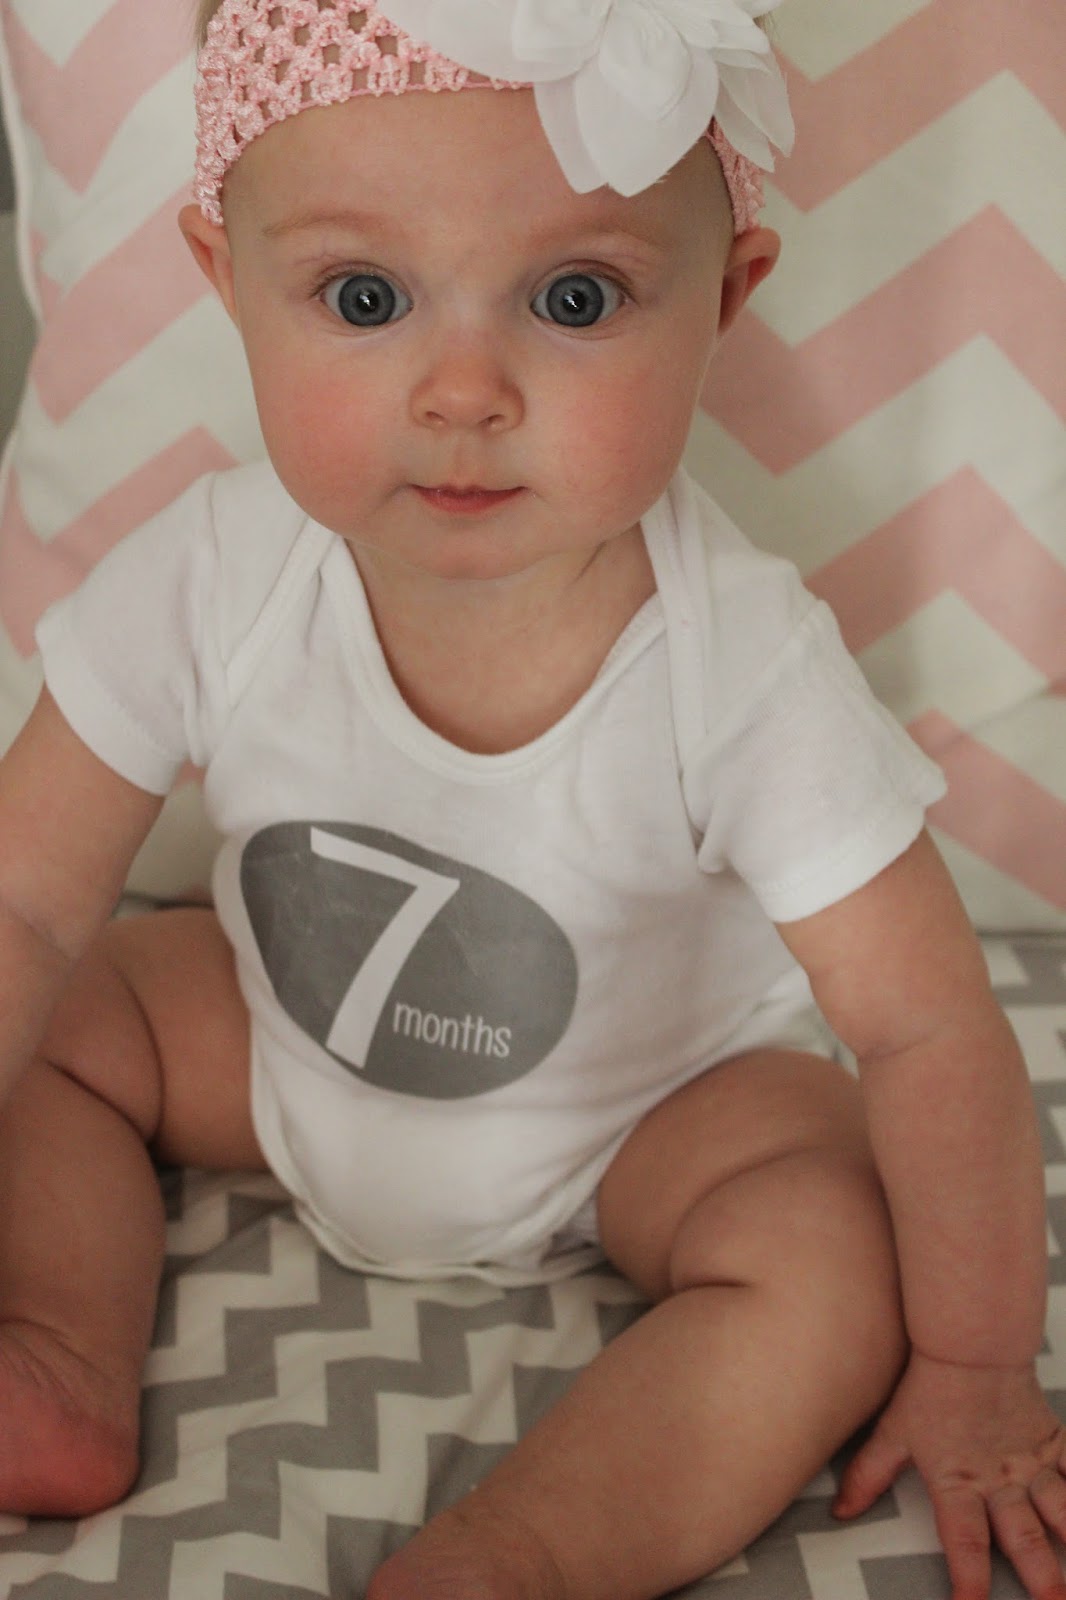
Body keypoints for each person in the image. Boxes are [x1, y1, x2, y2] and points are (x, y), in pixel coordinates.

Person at [0, 1, 1062, 1595]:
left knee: (837, 1236)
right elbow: (23, 897)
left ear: (722, 297)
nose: (463, 392)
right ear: (227, 281)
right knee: (62, 1010)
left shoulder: (740, 665)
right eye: (364, 298)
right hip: (277, 1042)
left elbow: (923, 1030)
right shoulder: (209, 575)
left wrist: (978, 1365)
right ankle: (53, 1353)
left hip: (647, 1120)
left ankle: (524, 1557)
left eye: (574, 299)